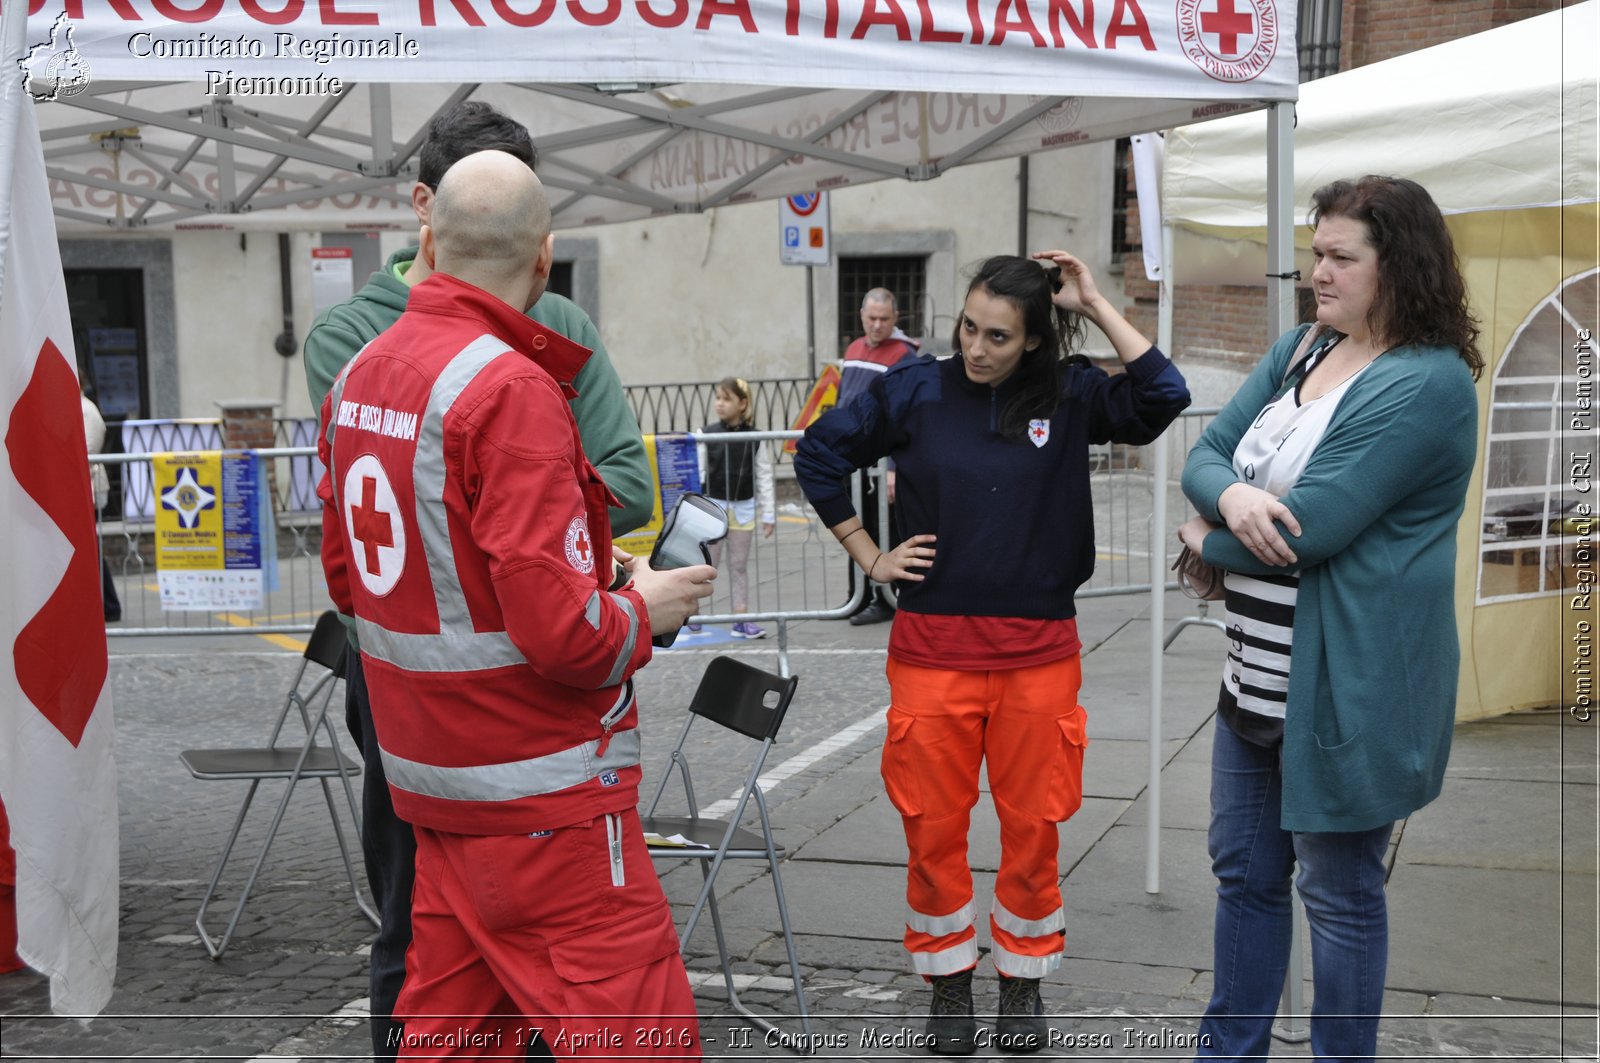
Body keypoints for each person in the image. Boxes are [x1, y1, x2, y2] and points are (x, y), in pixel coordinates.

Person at [317, 150, 711, 1059]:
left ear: (427, 239)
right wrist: (636, 606)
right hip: (544, 796)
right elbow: (568, 639)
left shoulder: (360, 375)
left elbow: (351, 581)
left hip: (433, 789)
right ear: (544, 259)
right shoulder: (511, 388)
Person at [795, 253, 1189, 1054]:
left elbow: (1163, 395)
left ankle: (1021, 980)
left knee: (1033, 826)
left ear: (1035, 340)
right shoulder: (915, 386)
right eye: (969, 327)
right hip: (931, 652)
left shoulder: (1071, 391)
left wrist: (1095, 301)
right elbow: (818, 454)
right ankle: (947, 982)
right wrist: (871, 556)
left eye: (999, 336)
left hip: (1039, 654)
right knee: (931, 826)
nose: (976, 347)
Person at [1176, 175, 1481, 1060]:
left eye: (1343, 257)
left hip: (1350, 692)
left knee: (1340, 897)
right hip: (1253, 683)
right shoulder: (1305, 348)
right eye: (1317, 253)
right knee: (1244, 878)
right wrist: (1231, 494)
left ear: (1401, 267)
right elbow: (1205, 449)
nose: (1320, 272)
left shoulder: (1425, 384)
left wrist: (1201, 529)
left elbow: (1311, 530)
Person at [836, 288, 919, 625]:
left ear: (895, 319)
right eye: (871, 318)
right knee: (852, 526)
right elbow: (843, 400)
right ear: (861, 316)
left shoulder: (904, 356)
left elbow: (906, 415)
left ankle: (884, 598)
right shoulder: (854, 348)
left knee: (878, 530)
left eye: (884, 319)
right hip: (851, 460)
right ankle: (856, 596)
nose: (877, 325)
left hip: (878, 461)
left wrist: (894, 468)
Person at [695, 376, 775, 639]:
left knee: (739, 565)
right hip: (714, 508)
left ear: (742, 404)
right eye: (718, 398)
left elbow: (764, 474)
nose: (720, 403)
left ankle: (740, 619)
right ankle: (692, 613)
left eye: (726, 399)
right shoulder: (706, 434)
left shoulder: (756, 437)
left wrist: (769, 513)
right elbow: (699, 471)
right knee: (707, 566)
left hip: (744, 508)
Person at [81, 387, 119, 623]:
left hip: (89, 485)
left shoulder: (86, 410)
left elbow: (87, 448)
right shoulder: (82, 407)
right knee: (90, 548)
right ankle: (105, 605)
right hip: (85, 485)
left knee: (92, 548)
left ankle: (110, 605)